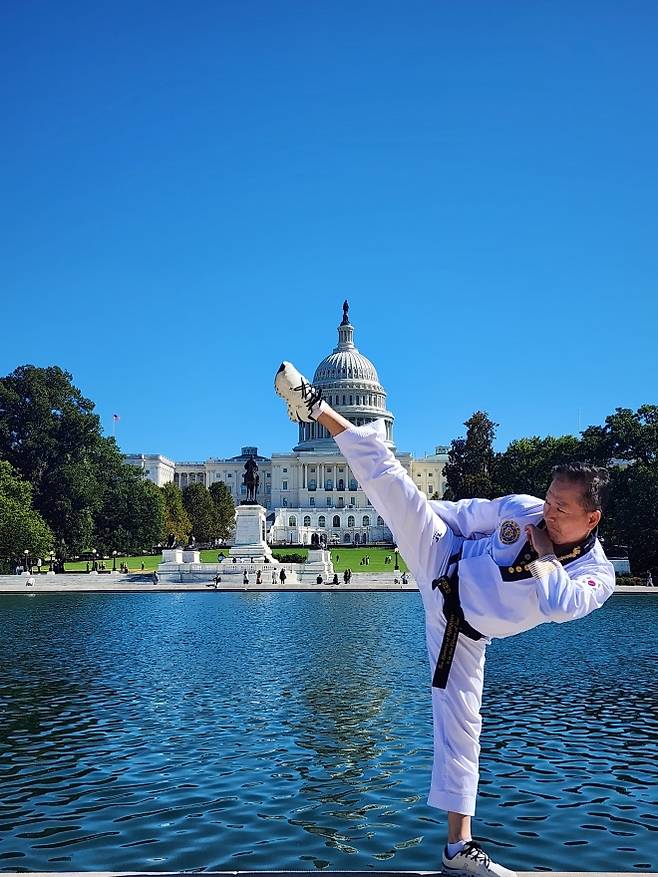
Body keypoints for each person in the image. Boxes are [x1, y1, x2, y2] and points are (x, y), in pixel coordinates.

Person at [275, 361, 615, 877]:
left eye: (561, 508)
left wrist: (543, 554)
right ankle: (316, 405)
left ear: (591, 519)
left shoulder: (598, 573)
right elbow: (465, 514)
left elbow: (560, 606)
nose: (547, 513)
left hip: (464, 634)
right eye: (548, 500)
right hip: (442, 561)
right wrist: (421, 515)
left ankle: (458, 849)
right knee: (391, 479)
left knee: (463, 731)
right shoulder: (523, 509)